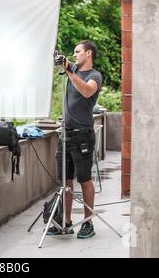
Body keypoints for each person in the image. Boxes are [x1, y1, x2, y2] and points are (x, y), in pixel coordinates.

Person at [49, 40, 102, 239]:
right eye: (73, 52)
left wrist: (69, 70)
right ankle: (66, 221)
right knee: (65, 180)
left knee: (84, 179)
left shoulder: (94, 76)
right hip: (66, 133)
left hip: (83, 135)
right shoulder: (72, 71)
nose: (74, 55)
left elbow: (87, 91)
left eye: (77, 52)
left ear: (88, 54)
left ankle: (88, 223)